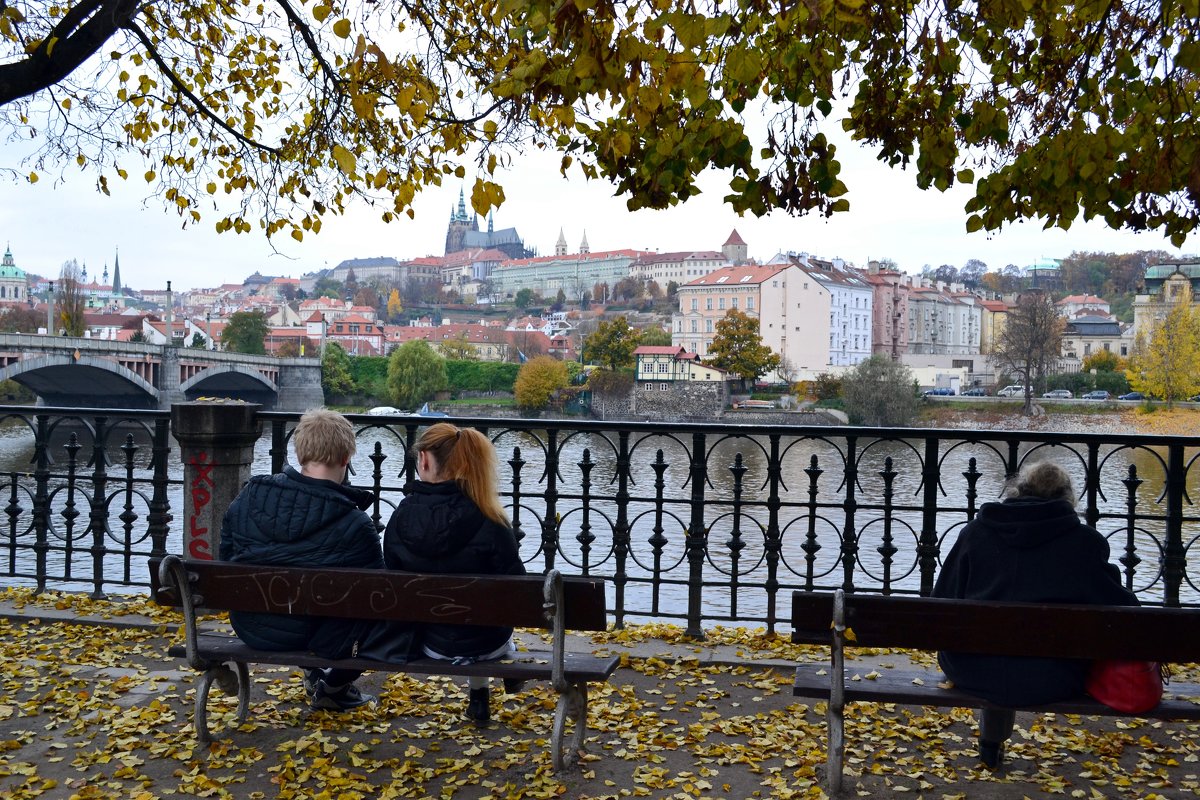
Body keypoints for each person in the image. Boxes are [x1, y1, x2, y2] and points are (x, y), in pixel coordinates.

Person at [933, 461, 1139, 769]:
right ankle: (993, 741)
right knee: (1022, 653)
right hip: (1053, 676)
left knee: (996, 647)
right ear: (1067, 498)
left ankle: (991, 744)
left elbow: (941, 602)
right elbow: (1125, 616)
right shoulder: (1084, 543)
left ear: (1018, 489)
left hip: (971, 671)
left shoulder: (975, 534)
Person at [219, 407, 383, 712]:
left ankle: (318, 678)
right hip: (318, 638)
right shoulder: (356, 524)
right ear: (346, 458)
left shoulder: (249, 496)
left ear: (300, 453)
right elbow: (380, 597)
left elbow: (226, 557)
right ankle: (332, 687)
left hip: (252, 627)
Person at [383, 422, 525, 723]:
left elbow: (392, 579)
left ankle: (479, 697)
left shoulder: (401, 516)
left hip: (430, 645)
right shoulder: (491, 518)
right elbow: (516, 587)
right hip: (488, 645)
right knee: (488, 626)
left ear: (424, 459)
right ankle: (480, 697)